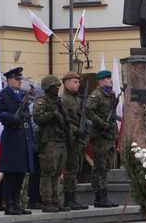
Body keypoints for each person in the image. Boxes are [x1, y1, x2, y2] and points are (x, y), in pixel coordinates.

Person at [0, 67, 34, 215]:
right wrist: (9, 117)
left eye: (20, 79)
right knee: (11, 174)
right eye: (17, 79)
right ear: (9, 80)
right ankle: (9, 204)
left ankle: (17, 203)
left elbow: (27, 115)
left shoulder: (22, 95)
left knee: (21, 173)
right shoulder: (2, 95)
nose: (20, 81)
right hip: (11, 136)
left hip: (23, 137)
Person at [33, 75, 70, 213]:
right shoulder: (41, 102)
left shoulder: (60, 101)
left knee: (58, 172)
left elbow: (66, 120)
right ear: (48, 87)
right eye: (55, 86)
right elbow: (38, 118)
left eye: (58, 86)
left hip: (61, 140)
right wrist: (52, 113)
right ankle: (47, 200)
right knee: (48, 172)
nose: (57, 88)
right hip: (48, 141)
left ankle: (56, 200)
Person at [86, 70, 120, 208]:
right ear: (100, 81)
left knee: (106, 167)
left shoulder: (111, 95)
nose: (109, 81)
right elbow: (88, 111)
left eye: (109, 78)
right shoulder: (96, 95)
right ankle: (99, 196)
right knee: (99, 167)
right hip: (99, 135)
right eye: (106, 79)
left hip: (109, 135)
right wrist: (101, 123)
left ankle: (104, 195)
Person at [60, 72, 89, 210]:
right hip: (70, 139)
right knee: (70, 170)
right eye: (74, 82)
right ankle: (68, 199)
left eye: (78, 82)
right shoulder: (63, 100)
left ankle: (73, 197)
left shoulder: (78, 100)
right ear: (65, 83)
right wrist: (76, 130)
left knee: (76, 168)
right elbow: (64, 121)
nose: (78, 84)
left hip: (79, 140)